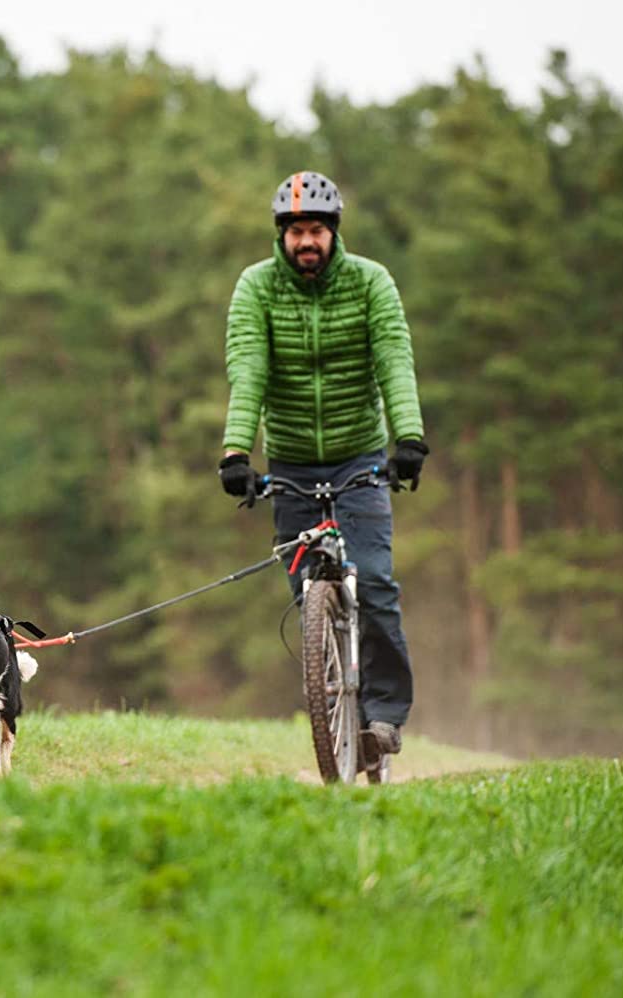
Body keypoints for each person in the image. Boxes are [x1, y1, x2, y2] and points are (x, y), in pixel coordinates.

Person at [217, 170, 428, 756]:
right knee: (306, 589)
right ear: (280, 236)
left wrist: (407, 438)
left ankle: (383, 714)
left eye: (316, 230)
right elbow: (248, 368)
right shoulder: (256, 288)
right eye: (296, 232)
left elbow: (393, 359)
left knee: (376, 584)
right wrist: (237, 451)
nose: (306, 242)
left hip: (359, 456)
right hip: (289, 462)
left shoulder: (370, 283)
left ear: (334, 233)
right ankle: (335, 699)